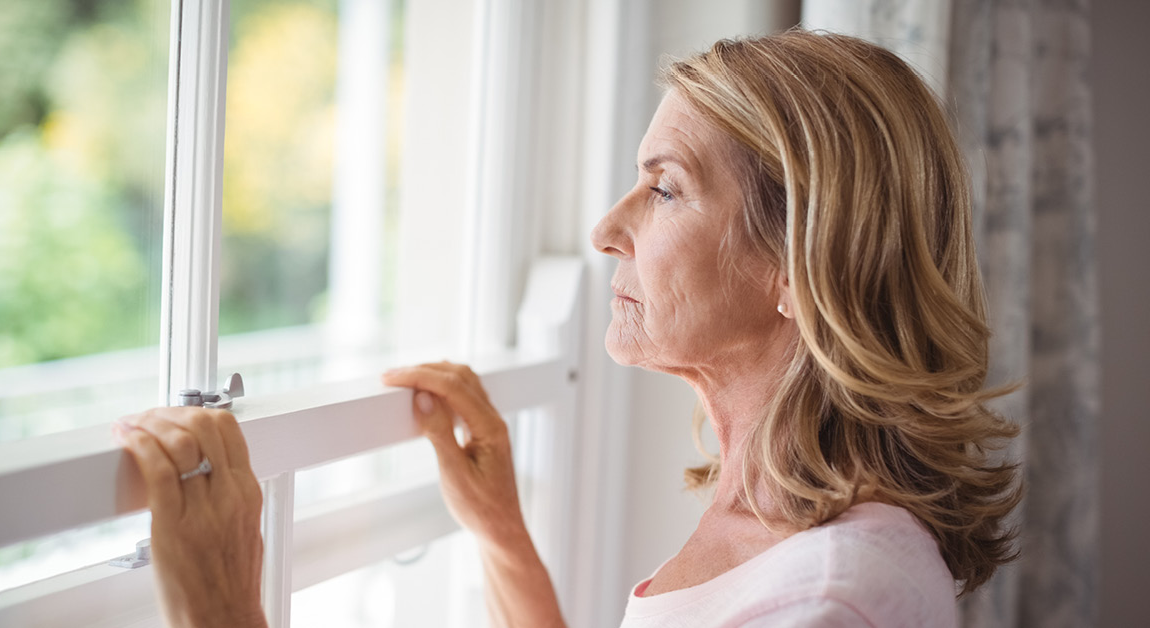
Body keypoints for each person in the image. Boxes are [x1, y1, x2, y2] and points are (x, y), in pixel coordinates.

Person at [114, 30, 1021, 627]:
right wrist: (504, 536)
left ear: (800, 263)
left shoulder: (832, 600)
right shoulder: (784, 522)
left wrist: (223, 607)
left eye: (664, 188)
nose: (606, 229)